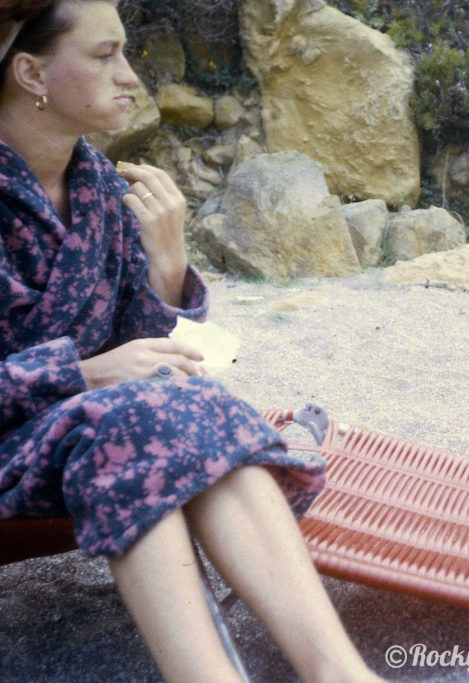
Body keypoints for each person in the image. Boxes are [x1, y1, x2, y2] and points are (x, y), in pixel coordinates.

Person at [0, 1, 381, 680]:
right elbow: (108, 374)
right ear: (31, 73)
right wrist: (80, 375)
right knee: (140, 419)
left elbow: (140, 359)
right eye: (104, 54)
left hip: (80, 438)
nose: (131, 78)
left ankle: (339, 674)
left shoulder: (98, 190)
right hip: (17, 442)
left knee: (197, 402)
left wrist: (168, 266)